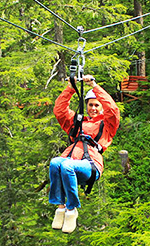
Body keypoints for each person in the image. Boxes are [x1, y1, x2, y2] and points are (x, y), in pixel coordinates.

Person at [49, 74, 120, 233]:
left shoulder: (107, 124)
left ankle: (72, 208)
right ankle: (61, 208)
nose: (93, 108)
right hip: (71, 159)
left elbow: (113, 110)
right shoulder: (78, 122)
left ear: (101, 107)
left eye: (97, 105)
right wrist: (71, 87)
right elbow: (59, 110)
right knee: (55, 163)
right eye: (90, 105)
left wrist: (94, 86)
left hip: (90, 165)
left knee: (66, 166)